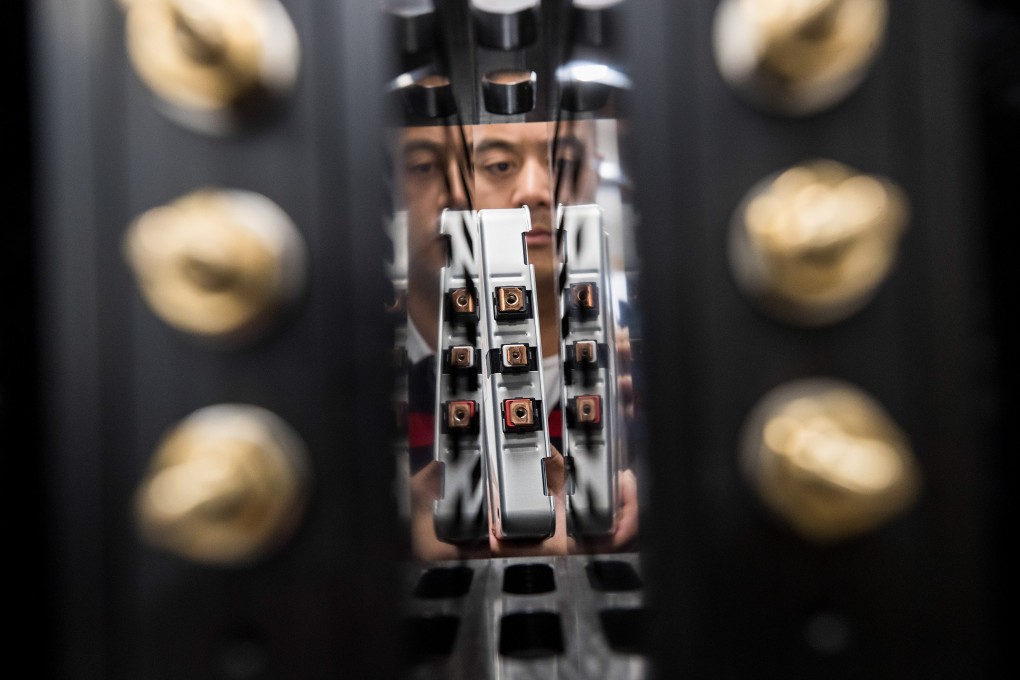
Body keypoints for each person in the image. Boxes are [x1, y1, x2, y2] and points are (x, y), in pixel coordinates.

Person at [391, 119, 639, 561]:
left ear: (596, 177)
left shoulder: (652, 361)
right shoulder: (348, 373)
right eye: (499, 164)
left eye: (561, 162)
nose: (536, 190)